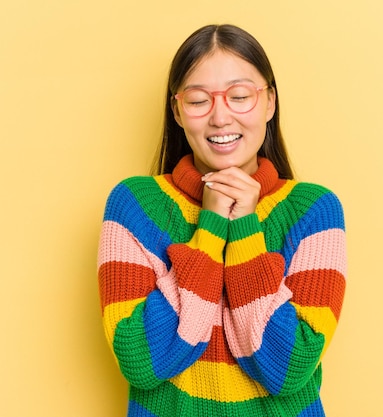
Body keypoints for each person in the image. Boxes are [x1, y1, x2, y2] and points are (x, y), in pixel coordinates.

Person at [97, 24, 347, 417]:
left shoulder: (314, 211)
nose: (220, 117)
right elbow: (143, 363)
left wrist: (245, 226)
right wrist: (210, 227)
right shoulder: (135, 205)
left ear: (269, 103)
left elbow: (286, 370)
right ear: (177, 111)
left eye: (240, 96)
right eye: (199, 100)